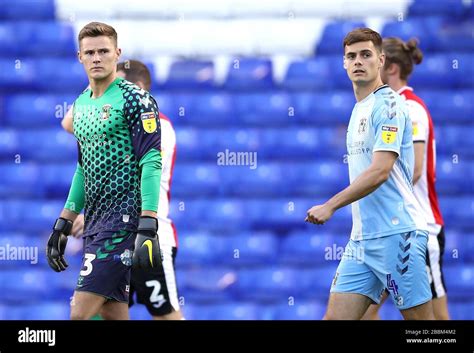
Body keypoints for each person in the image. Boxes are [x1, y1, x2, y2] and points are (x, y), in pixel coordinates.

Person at [305, 28, 434, 320]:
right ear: (344, 63)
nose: (358, 61)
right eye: (351, 56)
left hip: (398, 235)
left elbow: (380, 171)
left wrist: (330, 205)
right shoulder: (359, 109)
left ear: (381, 59)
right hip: (362, 241)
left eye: (365, 54)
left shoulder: (388, 105)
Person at [46, 22, 162, 320]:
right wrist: (63, 221)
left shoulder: (135, 99)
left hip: (121, 222)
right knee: (112, 315)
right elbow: (83, 168)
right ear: (79, 57)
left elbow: (150, 160)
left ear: (117, 53)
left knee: (79, 314)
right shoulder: (81, 105)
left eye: (103, 51)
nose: (96, 57)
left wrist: (148, 222)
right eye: (90, 52)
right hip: (95, 224)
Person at [62, 60, 183, 320]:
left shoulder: (159, 126)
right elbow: (69, 122)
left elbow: (140, 177)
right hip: (114, 236)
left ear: (137, 88)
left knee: (165, 314)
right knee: (104, 311)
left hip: (149, 238)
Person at [362, 37, 449, 320]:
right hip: (392, 226)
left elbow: (414, 169)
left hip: (418, 225)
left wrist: (374, 188)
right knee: (363, 311)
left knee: (434, 320)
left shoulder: (410, 108)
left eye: (378, 59)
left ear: (392, 68)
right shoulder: (388, 106)